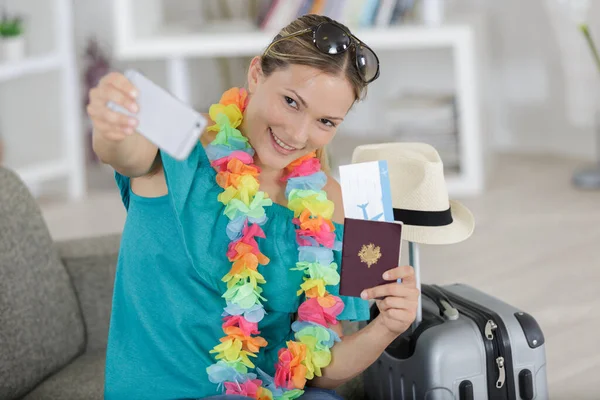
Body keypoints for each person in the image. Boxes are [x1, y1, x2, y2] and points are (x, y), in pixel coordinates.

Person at [87, 14, 419, 400]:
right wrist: (111, 128)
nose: (297, 135)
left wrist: (387, 328)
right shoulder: (184, 147)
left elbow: (321, 368)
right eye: (291, 102)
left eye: (325, 121)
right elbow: (127, 154)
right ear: (256, 74)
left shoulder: (344, 205)